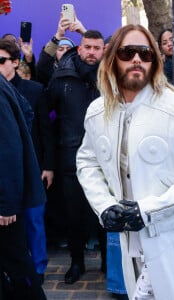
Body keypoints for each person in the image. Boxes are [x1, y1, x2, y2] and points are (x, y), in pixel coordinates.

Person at [76, 24, 174, 300]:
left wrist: (150, 209)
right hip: (125, 238)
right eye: (128, 52)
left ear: (155, 60)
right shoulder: (97, 111)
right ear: (112, 59)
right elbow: (87, 162)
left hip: (170, 237)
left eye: (145, 53)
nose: (137, 60)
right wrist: (103, 205)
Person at [46, 29, 107, 284]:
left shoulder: (109, 76)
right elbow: (45, 119)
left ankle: (108, 261)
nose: (92, 52)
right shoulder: (61, 77)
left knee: (105, 212)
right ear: (79, 49)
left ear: (103, 50)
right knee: (73, 215)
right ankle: (77, 262)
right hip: (70, 155)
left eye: (97, 47)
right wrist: (48, 163)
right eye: (87, 47)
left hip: (104, 158)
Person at [0, 38, 55, 284]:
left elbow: (45, 130)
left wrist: (48, 166)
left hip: (30, 171)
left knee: (34, 223)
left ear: (15, 62)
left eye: (1, 60)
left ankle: (39, 269)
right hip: (8, 178)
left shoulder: (33, 90)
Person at [0, 73, 47, 299]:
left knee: (18, 266)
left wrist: (6, 204)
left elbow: (7, 148)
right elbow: (26, 111)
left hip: (4, 207)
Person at [36, 11, 84, 86]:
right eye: (61, 49)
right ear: (55, 54)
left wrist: (83, 32)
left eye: (68, 49)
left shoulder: (82, 70)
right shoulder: (49, 72)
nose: (65, 52)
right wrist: (58, 35)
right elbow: (44, 62)